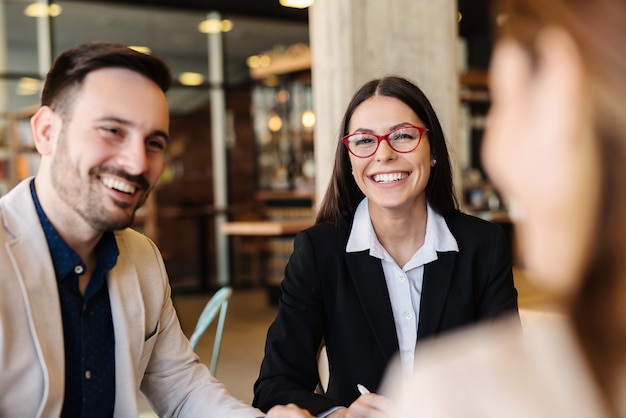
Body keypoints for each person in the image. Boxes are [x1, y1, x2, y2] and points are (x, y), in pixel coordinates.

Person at [0, 41, 309, 418]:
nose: (136, 162)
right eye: (112, 130)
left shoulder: (142, 256)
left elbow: (180, 387)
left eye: (154, 142)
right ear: (47, 132)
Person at [382, 0, 626, 416]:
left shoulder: (461, 390)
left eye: (503, 100)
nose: (494, 155)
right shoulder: (320, 250)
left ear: (560, 84)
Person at [253, 75, 519, 417]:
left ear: (432, 149)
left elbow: (508, 375)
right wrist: (341, 414)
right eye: (364, 141)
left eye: (403, 136)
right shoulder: (320, 251)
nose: (384, 153)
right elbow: (274, 386)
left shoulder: (484, 246)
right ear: (349, 159)